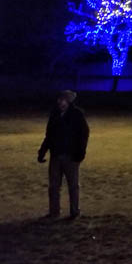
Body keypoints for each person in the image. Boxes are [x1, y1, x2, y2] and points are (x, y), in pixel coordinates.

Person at [37, 89, 90, 219]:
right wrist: (42, 151)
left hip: (71, 156)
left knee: (73, 186)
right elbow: (49, 135)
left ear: (69, 101)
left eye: (63, 100)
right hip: (56, 155)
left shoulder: (77, 114)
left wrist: (80, 153)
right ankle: (54, 212)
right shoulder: (55, 114)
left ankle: (74, 212)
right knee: (54, 186)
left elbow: (84, 135)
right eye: (60, 100)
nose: (60, 102)